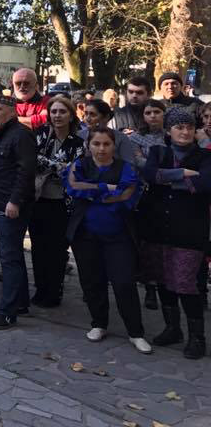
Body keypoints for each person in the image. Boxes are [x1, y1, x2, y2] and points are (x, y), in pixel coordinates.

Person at [64, 126, 151, 353]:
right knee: (92, 281)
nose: (101, 149)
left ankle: (135, 332)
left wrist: (95, 193)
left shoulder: (126, 168)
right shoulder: (80, 165)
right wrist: (106, 188)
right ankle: (99, 323)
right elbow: (74, 187)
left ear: (114, 146)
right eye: (96, 144)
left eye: (106, 144)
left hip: (118, 235)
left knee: (124, 282)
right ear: (89, 145)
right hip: (85, 235)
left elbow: (126, 195)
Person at [139, 108, 211, 359]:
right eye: (179, 127)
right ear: (169, 131)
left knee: (185, 284)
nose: (185, 131)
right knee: (162, 279)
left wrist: (166, 178)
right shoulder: (159, 152)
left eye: (190, 127)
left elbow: (205, 184)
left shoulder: (204, 156)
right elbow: (148, 175)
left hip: (188, 231)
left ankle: (197, 337)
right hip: (157, 228)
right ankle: (172, 328)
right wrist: (181, 174)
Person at [0, 94, 37, 330]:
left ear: (12, 111)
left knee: (10, 259)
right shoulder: (1, 133)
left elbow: (26, 172)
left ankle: (8, 312)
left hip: (10, 206)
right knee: (12, 255)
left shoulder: (21, 135)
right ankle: (20, 302)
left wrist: (15, 201)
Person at [31, 96, 85, 308]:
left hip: (63, 202)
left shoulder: (79, 142)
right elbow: (32, 160)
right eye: (53, 111)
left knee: (57, 249)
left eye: (62, 112)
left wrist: (49, 164)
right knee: (38, 247)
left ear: (71, 115)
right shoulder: (41, 135)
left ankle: (54, 291)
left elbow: (74, 170)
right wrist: (59, 166)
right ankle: (40, 288)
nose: (57, 116)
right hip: (38, 199)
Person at [82, 99, 137, 164]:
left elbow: (129, 165)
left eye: (92, 115)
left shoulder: (120, 138)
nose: (87, 118)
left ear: (106, 117)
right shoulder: (79, 136)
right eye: (86, 114)